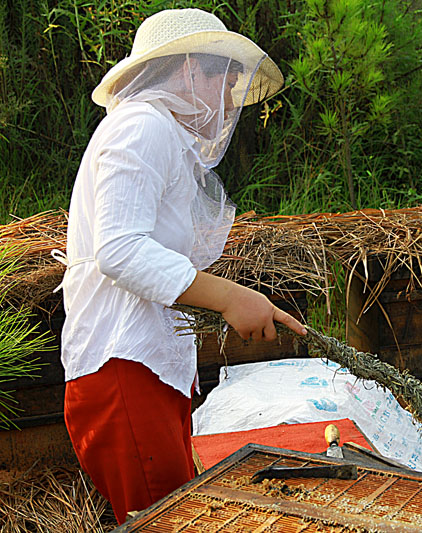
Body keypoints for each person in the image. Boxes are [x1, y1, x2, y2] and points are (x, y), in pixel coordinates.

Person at [56, 9, 307, 524]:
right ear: (191, 69)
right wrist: (229, 297)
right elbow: (119, 249)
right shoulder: (141, 126)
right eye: (225, 79)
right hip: (123, 370)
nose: (229, 97)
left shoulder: (159, 132)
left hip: (146, 370)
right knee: (165, 521)